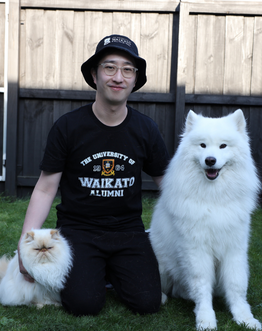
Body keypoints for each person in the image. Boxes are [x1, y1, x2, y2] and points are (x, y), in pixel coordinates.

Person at [18, 34, 170, 316]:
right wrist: (25, 242)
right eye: (109, 67)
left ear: (135, 79)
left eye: (127, 69)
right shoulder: (68, 127)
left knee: (148, 303)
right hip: (79, 229)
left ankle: (111, 270)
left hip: (128, 230)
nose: (118, 77)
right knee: (83, 304)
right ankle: (96, 270)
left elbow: (170, 185)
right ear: (94, 74)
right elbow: (45, 188)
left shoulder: (146, 129)